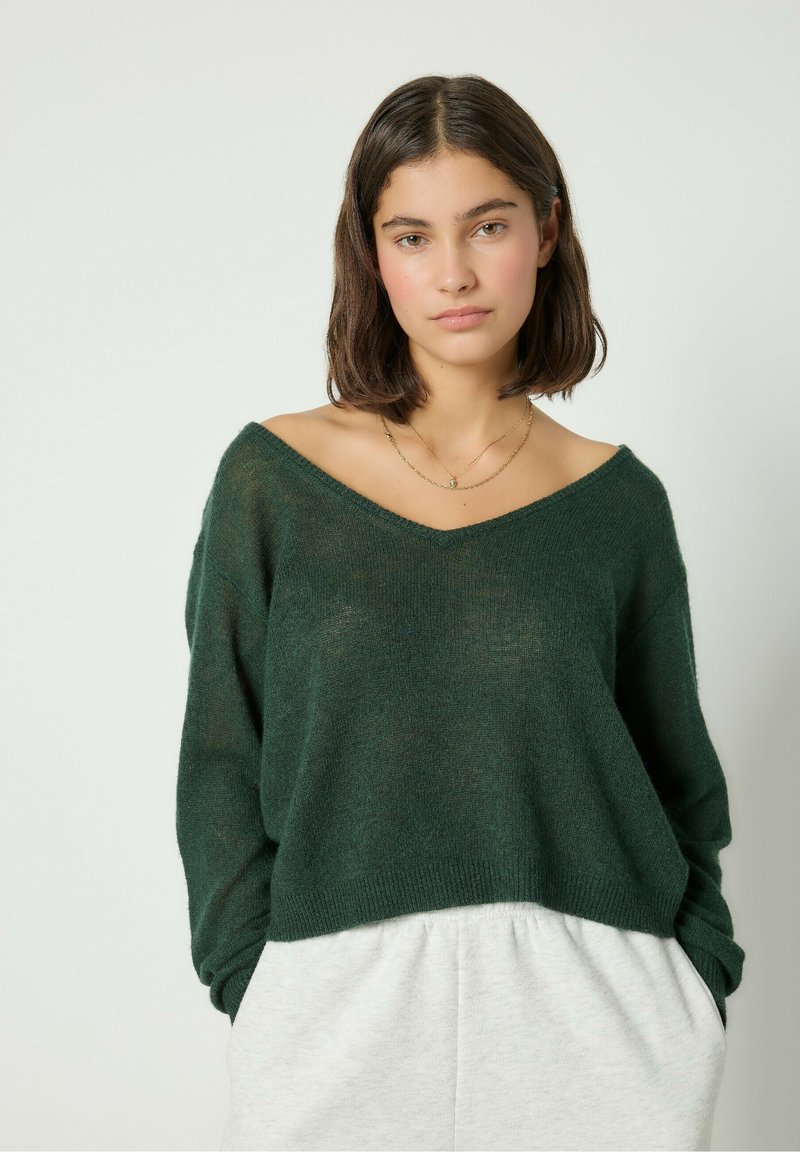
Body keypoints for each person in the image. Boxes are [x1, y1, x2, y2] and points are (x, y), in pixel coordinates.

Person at [175, 73, 745, 1152]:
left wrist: (695, 976)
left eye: (487, 225)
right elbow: (219, 755)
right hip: (333, 1003)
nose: (452, 273)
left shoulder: (617, 502)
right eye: (411, 235)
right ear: (370, 252)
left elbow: (679, 779)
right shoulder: (272, 482)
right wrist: (258, 981)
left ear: (546, 231)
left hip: (602, 1008)